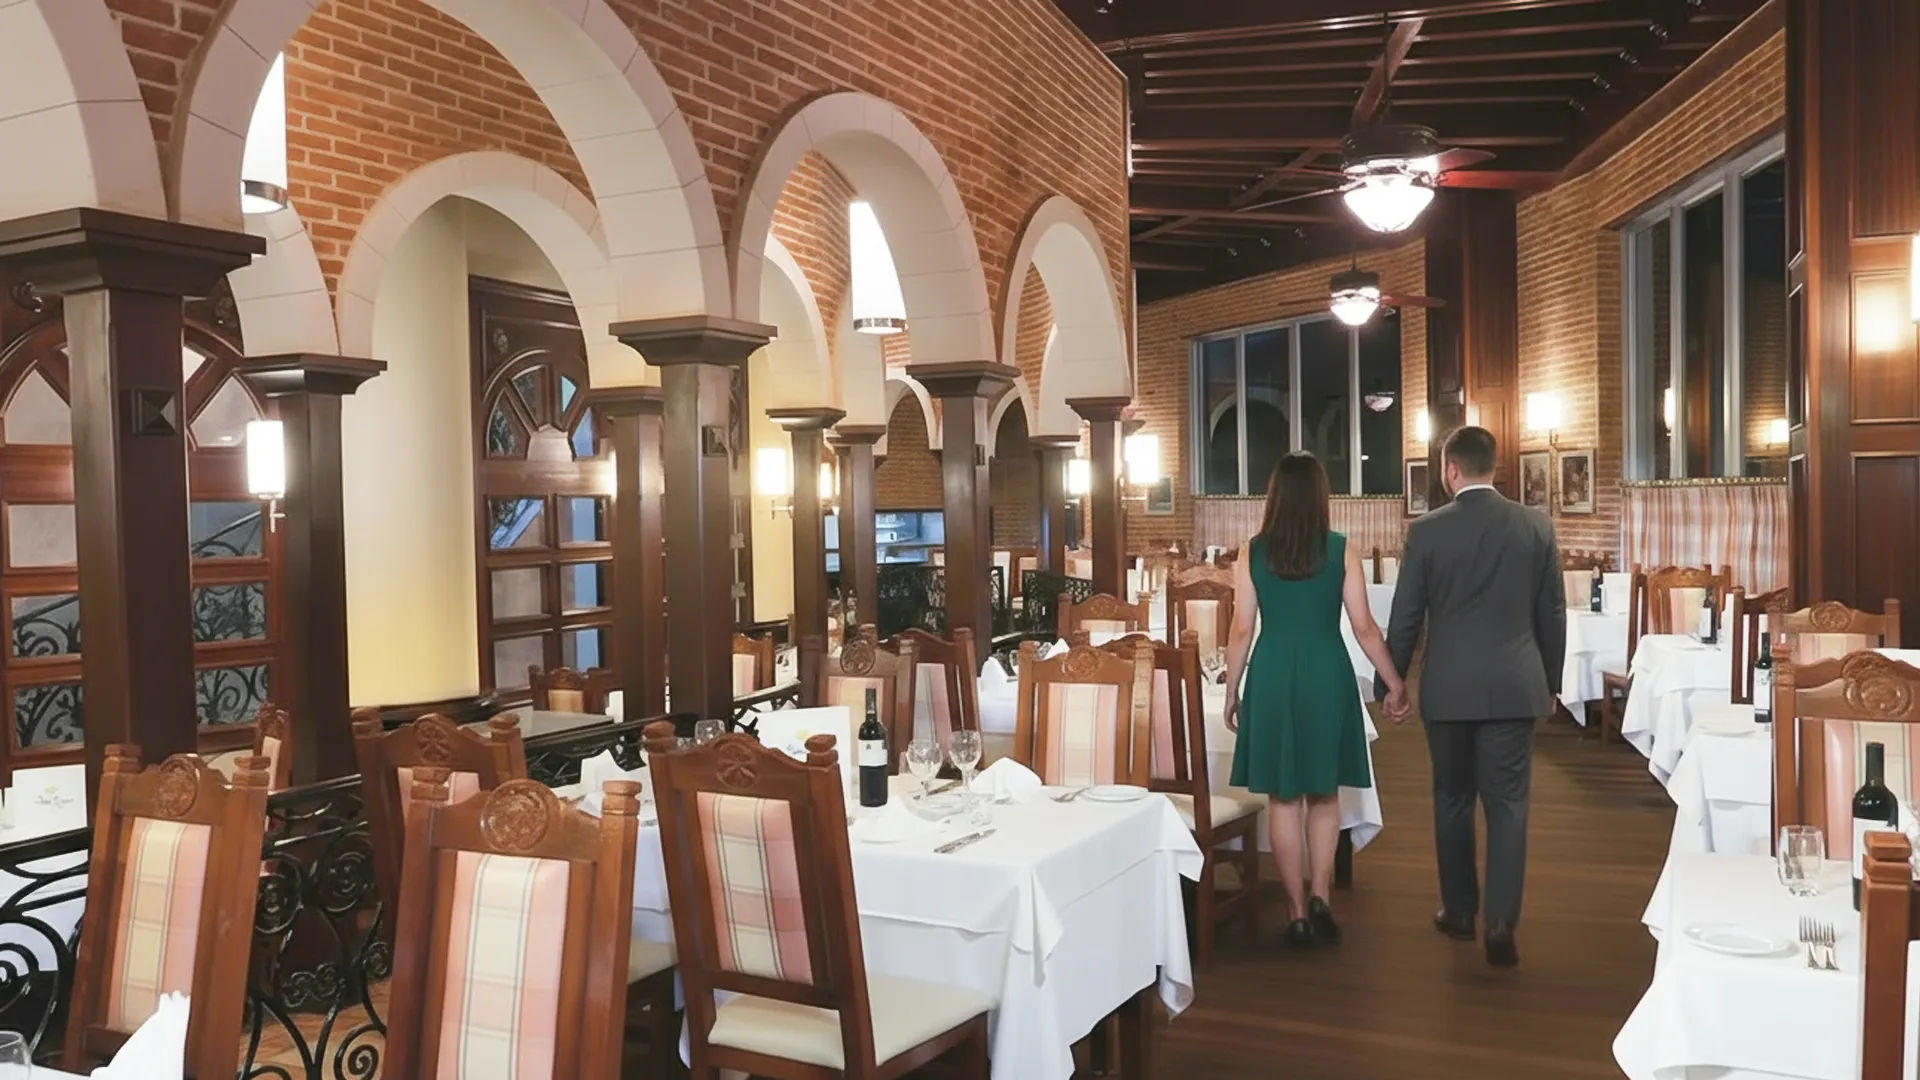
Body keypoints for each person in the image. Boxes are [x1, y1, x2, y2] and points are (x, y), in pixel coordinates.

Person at [1378, 426, 1564, 968]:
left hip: (1450, 687)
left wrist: (1391, 683)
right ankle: (1502, 923)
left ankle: (1460, 912)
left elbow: (1407, 613)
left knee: (1452, 799)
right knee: (1508, 806)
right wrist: (1550, 683)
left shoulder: (1428, 531)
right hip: (1515, 683)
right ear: (1494, 467)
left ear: (1450, 470)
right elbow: (1551, 613)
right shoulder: (1534, 525)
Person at [1224, 452, 1407, 948]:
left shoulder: (1251, 553)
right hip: (1327, 668)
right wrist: (1393, 681)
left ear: (1275, 496)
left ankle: (1296, 912)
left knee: (1284, 797)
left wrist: (1231, 689)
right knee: (1325, 792)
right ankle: (1322, 894)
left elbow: (1242, 629)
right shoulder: (1340, 551)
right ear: (1321, 497)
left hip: (1274, 670)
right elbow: (1365, 628)